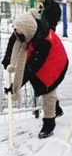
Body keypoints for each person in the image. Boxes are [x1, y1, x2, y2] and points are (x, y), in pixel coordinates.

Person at [2, 9, 68, 139]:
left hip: (55, 62)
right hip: (42, 58)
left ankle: (49, 124)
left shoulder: (43, 42)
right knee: (39, 83)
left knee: (46, 89)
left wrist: (15, 87)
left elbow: (30, 68)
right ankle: (57, 109)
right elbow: (13, 40)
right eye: (17, 33)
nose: (18, 36)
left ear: (29, 33)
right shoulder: (24, 29)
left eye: (21, 36)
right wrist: (7, 59)